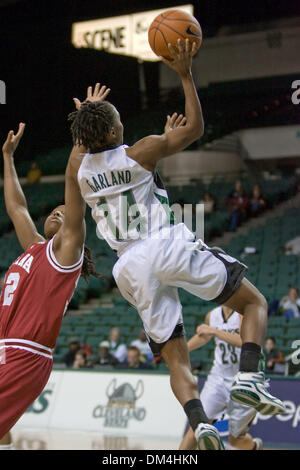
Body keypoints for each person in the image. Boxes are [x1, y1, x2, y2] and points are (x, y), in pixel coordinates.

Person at [68, 41, 285, 450]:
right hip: (163, 242)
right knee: (253, 303)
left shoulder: (79, 171)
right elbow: (196, 130)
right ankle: (251, 381)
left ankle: (200, 425)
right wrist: (185, 73)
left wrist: (85, 116)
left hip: (128, 267)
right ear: (114, 131)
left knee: (176, 356)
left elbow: (83, 154)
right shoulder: (140, 151)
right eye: (116, 121)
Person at [0, 111, 101, 449]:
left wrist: (82, 136)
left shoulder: (65, 253)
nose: (59, 211)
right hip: (6, 348)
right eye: (53, 210)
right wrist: (8, 157)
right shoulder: (34, 249)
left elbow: (73, 186)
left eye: (64, 210)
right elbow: (17, 207)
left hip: (26, 354)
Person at [179, 306, 262, 450]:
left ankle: (255, 446)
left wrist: (214, 330)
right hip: (217, 378)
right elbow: (204, 337)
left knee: (236, 439)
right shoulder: (212, 315)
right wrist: (183, 349)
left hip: (244, 380)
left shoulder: (243, 313)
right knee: (197, 427)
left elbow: (244, 341)